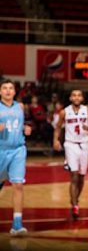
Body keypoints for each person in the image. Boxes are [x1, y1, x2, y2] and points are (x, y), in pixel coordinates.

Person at [53, 90, 88, 220]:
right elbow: (58, 127)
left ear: (82, 98)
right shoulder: (64, 112)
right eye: (74, 95)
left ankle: (75, 199)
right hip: (70, 144)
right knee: (74, 176)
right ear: (70, 98)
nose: (77, 97)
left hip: (84, 145)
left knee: (82, 177)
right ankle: (75, 205)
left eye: (79, 95)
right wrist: (55, 140)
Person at [0, 79, 32, 236]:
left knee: (18, 185)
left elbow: (23, 125)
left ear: (14, 91)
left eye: (10, 88)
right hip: (1, 150)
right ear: (0, 92)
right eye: (4, 88)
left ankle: (17, 224)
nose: (7, 90)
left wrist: (26, 129)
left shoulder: (20, 106)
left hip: (18, 150)